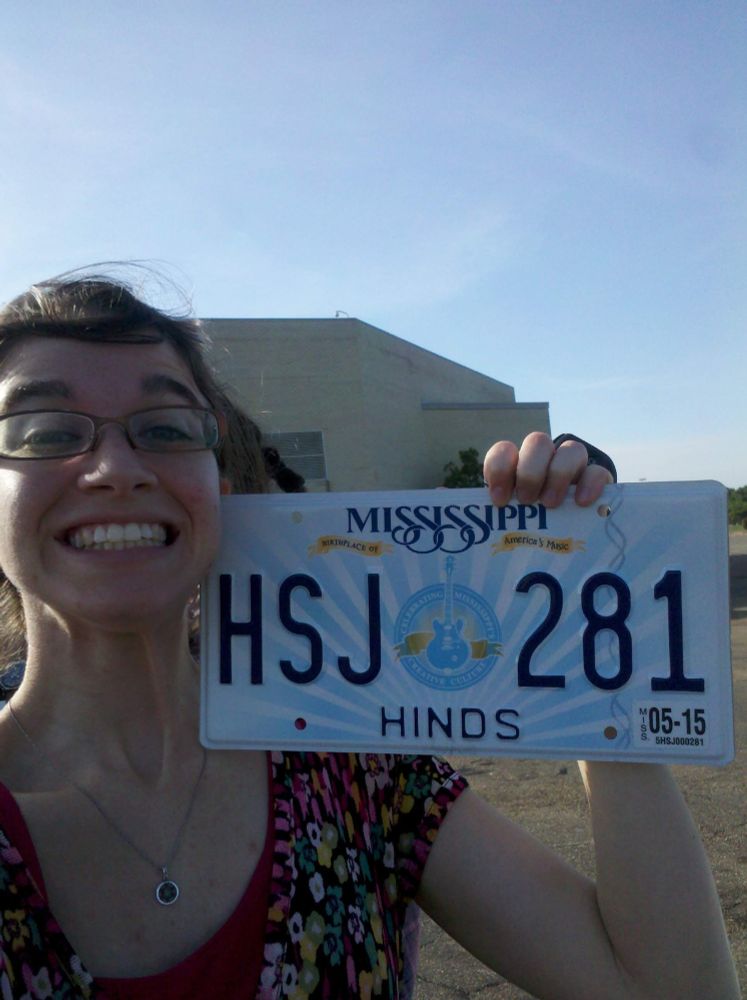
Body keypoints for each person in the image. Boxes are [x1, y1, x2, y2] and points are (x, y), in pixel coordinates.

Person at [0, 270, 738, 1000]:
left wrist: (592, 638)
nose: (113, 469)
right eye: (41, 433)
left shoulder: (355, 765)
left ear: (219, 486)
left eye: (163, 428)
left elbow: (662, 987)